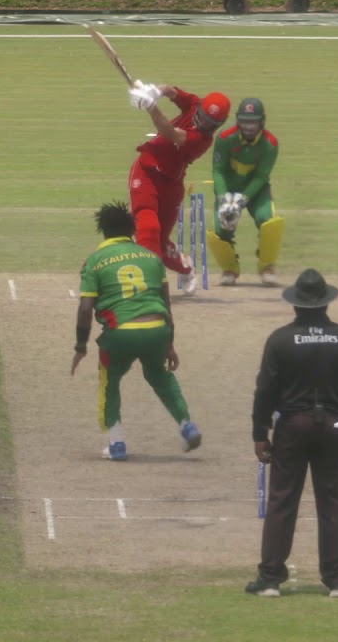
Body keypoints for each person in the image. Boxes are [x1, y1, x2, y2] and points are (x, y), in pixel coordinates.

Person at [245, 269, 338, 598]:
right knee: (332, 503)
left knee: (282, 501)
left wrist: (260, 432)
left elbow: (264, 391)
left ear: (296, 305)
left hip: (292, 424)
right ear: (325, 304)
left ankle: (270, 578)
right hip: (334, 425)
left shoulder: (280, 339)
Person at [71, 200, 203, 461]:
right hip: (156, 329)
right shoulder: (152, 258)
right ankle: (186, 425)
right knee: (160, 376)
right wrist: (169, 343)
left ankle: (116, 443)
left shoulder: (95, 261)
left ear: (103, 230)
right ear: (132, 230)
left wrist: (80, 346)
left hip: (120, 334)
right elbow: (165, 304)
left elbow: (86, 307)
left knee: (110, 382)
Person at [126, 82, 231, 294]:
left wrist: (150, 105)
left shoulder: (202, 140)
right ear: (200, 106)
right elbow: (172, 91)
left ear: (217, 125)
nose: (201, 122)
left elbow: (168, 132)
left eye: (209, 123)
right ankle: (151, 285)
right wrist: (154, 91)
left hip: (171, 182)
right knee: (147, 227)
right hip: (146, 169)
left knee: (160, 243)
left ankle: (184, 266)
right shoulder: (194, 103)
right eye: (201, 116)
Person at [209, 97, 285, 287]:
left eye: (252, 121)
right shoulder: (225, 139)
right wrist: (223, 197)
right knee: (222, 228)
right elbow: (217, 170)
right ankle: (229, 269)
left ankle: (267, 267)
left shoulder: (270, 143)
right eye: (244, 121)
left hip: (256, 190)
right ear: (237, 120)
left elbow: (261, 175)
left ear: (262, 121)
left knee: (268, 221)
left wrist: (243, 200)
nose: (248, 126)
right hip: (228, 188)